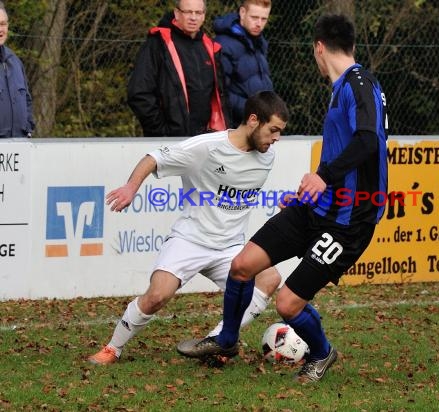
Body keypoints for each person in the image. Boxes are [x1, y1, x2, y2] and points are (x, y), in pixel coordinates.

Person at [180, 14, 389, 383]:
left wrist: (322, 177)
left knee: (287, 303)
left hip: (348, 222)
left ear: (318, 48)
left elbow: (368, 140)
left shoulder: (359, 83)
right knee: (243, 264)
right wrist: (311, 191)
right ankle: (226, 340)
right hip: (316, 209)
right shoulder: (343, 88)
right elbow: (346, 149)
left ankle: (322, 353)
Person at [88, 91, 289, 365]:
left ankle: (217, 341)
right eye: (273, 130)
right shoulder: (207, 147)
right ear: (253, 120)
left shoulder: (267, 156)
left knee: (269, 279)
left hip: (230, 247)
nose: (276, 138)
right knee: (157, 296)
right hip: (191, 240)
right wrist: (130, 187)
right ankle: (113, 348)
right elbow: (153, 158)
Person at [127, 0, 229, 137]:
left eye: (198, 12)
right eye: (188, 12)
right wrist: (161, 132)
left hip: (205, 139)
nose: (193, 17)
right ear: (177, 13)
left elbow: (221, 97)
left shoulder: (210, 48)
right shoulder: (158, 44)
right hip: (169, 140)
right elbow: (139, 93)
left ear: (204, 15)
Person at [213, 0, 273, 128]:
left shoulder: (258, 42)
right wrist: (253, 111)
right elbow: (221, 93)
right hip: (237, 126)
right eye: (254, 17)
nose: (259, 24)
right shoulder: (224, 44)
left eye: (264, 19)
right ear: (242, 12)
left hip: (257, 121)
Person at [0, 1, 34, 138]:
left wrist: (29, 127)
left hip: (19, 145)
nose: (0, 29)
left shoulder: (14, 61)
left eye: (3, 24)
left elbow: (27, 99)